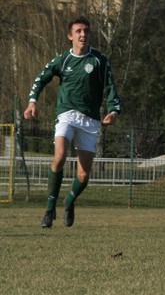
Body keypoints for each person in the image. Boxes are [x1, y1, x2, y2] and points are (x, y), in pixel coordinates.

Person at [24, 17, 122, 229]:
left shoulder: (99, 60)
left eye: (86, 30)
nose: (82, 34)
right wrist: (32, 102)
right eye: (78, 31)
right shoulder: (62, 60)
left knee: (84, 174)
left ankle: (69, 202)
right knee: (59, 156)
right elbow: (41, 78)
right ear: (70, 36)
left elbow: (111, 87)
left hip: (90, 120)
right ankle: (50, 209)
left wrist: (114, 111)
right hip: (66, 114)